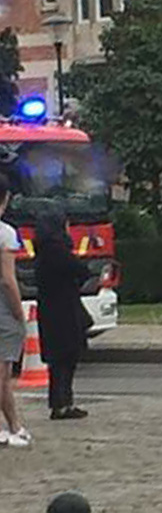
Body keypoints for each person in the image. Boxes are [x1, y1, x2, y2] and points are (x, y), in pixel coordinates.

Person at [36, 208, 92, 420]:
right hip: (64, 312)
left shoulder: (43, 251)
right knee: (65, 359)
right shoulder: (57, 251)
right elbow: (80, 270)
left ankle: (60, 403)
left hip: (49, 311)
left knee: (57, 361)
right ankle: (63, 403)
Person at [0, 174, 29, 446]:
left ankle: (13, 426)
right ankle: (11, 428)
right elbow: (8, 280)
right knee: (3, 374)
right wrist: (19, 313)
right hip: (1, 311)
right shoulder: (6, 233)